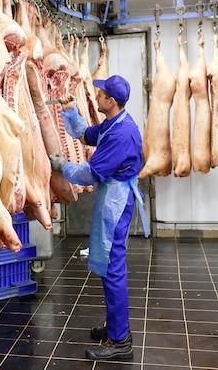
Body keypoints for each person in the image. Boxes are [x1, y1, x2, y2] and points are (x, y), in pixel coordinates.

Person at [49, 74, 149, 362]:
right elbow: (86, 135)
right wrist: (70, 111)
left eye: (101, 93)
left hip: (116, 202)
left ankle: (120, 342)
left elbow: (89, 173)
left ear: (111, 101)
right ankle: (115, 327)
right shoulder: (113, 123)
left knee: (113, 267)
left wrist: (63, 167)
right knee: (108, 266)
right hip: (111, 197)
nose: (97, 96)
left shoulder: (121, 134)